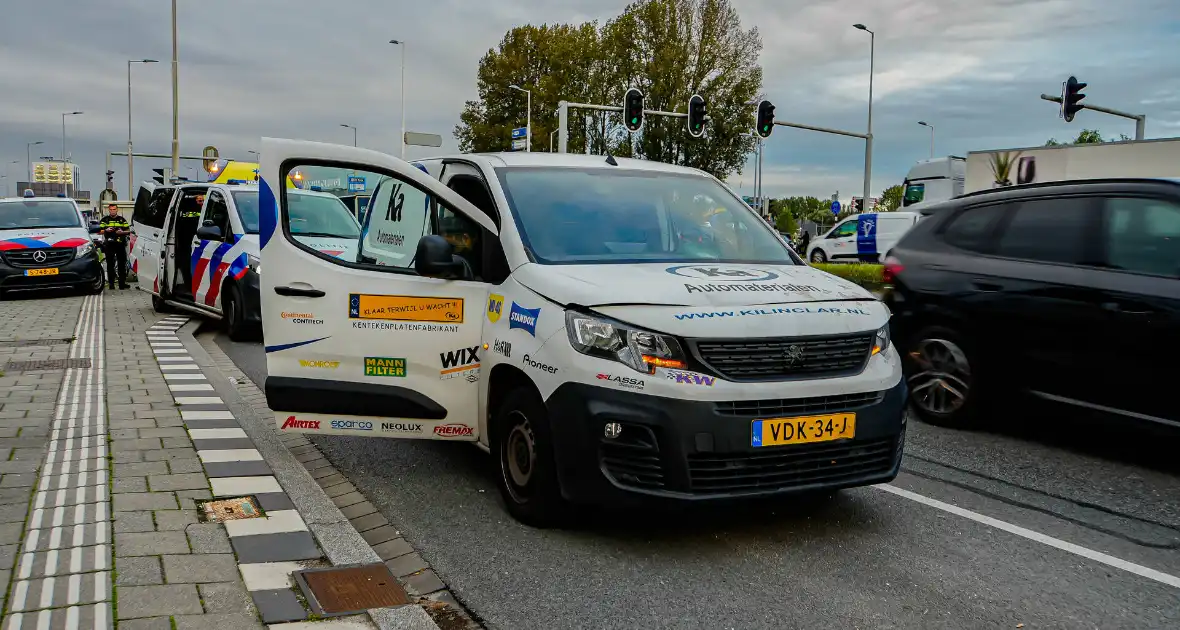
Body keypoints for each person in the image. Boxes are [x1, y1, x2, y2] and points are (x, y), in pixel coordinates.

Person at [99, 204, 131, 289]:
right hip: (109, 245)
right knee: (110, 265)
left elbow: (128, 231)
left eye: (114, 209)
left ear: (117, 210)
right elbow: (99, 231)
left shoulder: (122, 220)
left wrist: (122, 232)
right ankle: (111, 284)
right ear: (108, 210)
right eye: (111, 209)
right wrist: (106, 230)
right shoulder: (105, 220)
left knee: (122, 264)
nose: (112, 211)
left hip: (120, 244)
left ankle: (122, 284)